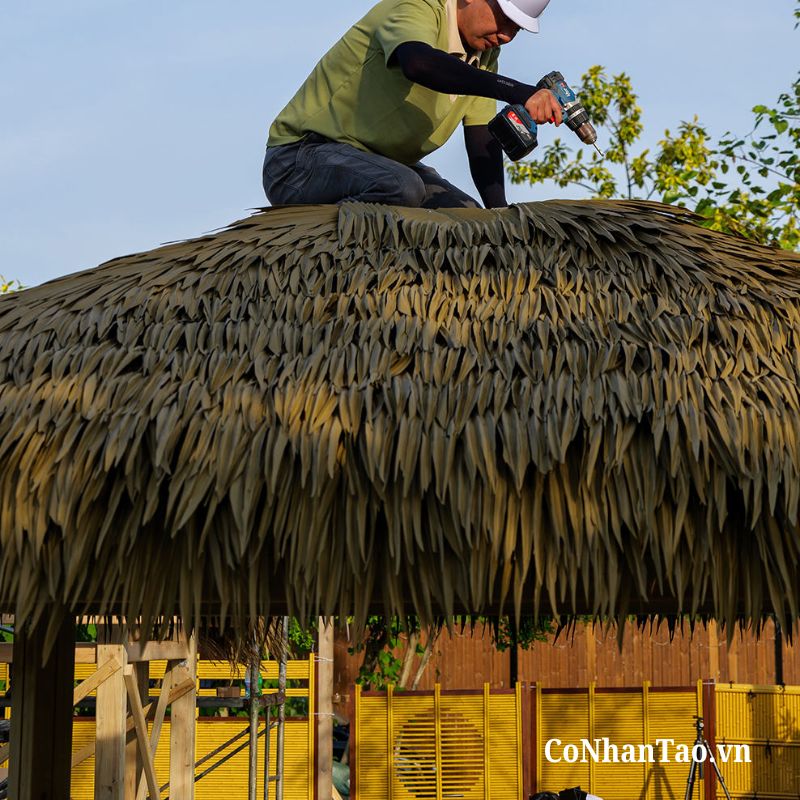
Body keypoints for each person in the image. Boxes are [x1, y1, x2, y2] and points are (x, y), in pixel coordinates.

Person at [263, 0, 563, 209]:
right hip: (299, 161)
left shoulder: (485, 56)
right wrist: (517, 91)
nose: (507, 36)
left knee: (467, 218)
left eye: (516, 29)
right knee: (401, 187)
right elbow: (418, 63)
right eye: (504, 19)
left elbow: (481, 136)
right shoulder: (416, 6)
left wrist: (499, 214)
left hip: (381, 167)